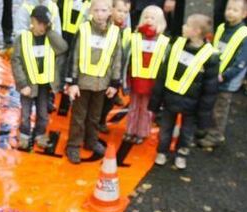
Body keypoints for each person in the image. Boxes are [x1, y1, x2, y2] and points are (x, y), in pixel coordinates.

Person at [148, 14, 219, 170]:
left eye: (187, 25)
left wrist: (203, 117)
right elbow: (163, 73)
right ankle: (162, 152)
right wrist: (156, 101)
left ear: (197, 31)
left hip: (192, 105)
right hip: (170, 99)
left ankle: (181, 154)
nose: (183, 27)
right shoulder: (177, 44)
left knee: (187, 133)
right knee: (165, 129)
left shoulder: (210, 57)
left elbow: (209, 91)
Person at [65, 0, 123, 164]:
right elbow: (74, 56)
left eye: (103, 10)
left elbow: (116, 59)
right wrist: (73, 82)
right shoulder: (83, 30)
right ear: (90, 11)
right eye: (96, 10)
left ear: (110, 11)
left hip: (102, 84)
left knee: (94, 117)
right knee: (78, 116)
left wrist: (114, 83)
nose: (99, 14)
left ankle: (91, 141)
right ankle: (74, 145)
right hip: (82, 84)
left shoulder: (114, 33)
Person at [12, 5, 68, 150]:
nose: (42, 27)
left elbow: (63, 48)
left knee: (43, 113)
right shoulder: (23, 38)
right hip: (28, 85)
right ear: (32, 21)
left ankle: (40, 134)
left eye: (46, 24)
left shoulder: (50, 38)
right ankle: (24, 135)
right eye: (40, 23)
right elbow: (16, 62)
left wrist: (50, 31)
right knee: (25, 113)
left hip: (44, 85)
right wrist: (22, 83)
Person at [198, 0, 247, 148]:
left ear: (244, 14)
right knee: (209, 103)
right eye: (229, 9)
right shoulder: (221, 28)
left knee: (220, 108)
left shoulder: (245, 35)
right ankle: (207, 129)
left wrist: (225, 75)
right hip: (213, 74)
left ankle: (216, 135)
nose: (230, 12)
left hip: (227, 80)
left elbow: (241, 62)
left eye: (235, 10)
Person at [123, 5, 169, 144]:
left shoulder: (164, 42)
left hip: (152, 84)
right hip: (135, 80)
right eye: (146, 17)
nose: (149, 20)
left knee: (147, 110)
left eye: (153, 18)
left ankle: (142, 132)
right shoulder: (135, 37)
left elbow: (166, 65)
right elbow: (126, 59)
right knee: (133, 107)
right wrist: (124, 81)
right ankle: (130, 130)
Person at [98, 0, 132, 134]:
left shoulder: (127, 31)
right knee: (98, 100)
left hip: (115, 74)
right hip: (101, 71)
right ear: (111, 10)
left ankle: (101, 121)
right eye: (119, 11)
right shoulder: (103, 27)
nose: (122, 15)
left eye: (126, 12)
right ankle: (94, 121)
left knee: (109, 101)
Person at [58, 0, 91, 116]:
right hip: (62, 36)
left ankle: (65, 103)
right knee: (57, 67)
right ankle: (51, 96)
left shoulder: (90, 4)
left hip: (78, 40)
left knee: (70, 70)